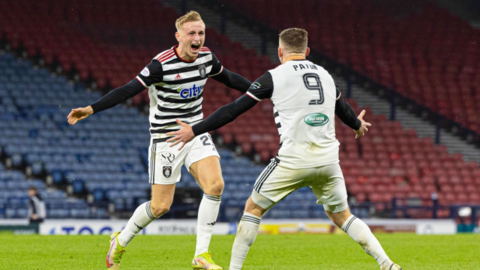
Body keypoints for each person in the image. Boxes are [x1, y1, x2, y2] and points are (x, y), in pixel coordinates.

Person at [167, 28, 402, 270]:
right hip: (328, 162)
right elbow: (342, 108)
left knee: (253, 208)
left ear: (280, 52)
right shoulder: (325, 75)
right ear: (307, 51)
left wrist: (194, 130)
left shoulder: (274, 77)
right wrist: (357, 124)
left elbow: (233, 110)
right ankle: (387, 263)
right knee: (343, 217)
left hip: (292, 161)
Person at [67, 11, 252, 270]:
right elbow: (128, 89)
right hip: (165, 138)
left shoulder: (207, 58)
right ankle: (121, 240)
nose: (197, 38)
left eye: (201, 33)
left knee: (215, 185)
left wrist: (258, 91)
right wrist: (91, 108)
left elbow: (230, 78)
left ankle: (201, 255)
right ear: (178, 36)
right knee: (160, 206)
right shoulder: (160, 64)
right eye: (192, 33)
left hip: (195, 131)